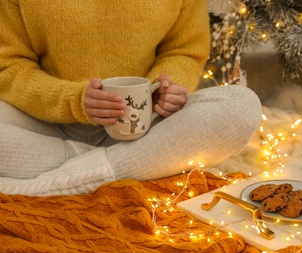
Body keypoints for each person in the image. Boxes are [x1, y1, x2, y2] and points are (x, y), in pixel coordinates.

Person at [0, 0, 262, 196]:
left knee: (241, 106)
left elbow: (184, 50)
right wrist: (74, 100)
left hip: (146, 125)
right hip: (45, 124)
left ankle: (56, 181)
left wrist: (165, 87)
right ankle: (123, 165)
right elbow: (9, 65)